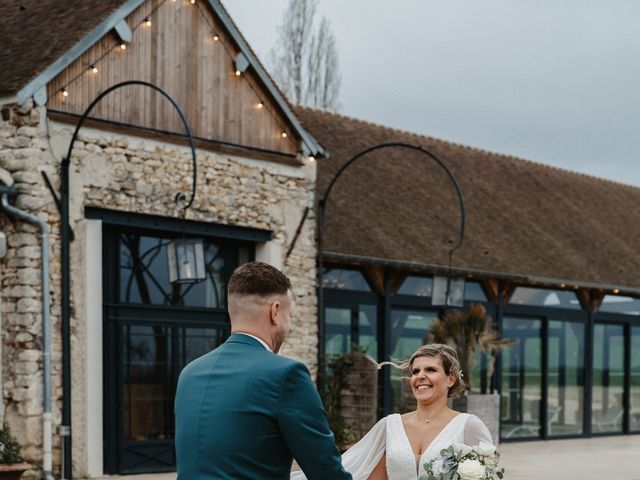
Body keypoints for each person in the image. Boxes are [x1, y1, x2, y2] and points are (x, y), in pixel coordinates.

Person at [175, 261, 352, 480]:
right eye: (289, 315)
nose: (288, 325)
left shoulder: (189, 374)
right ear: (275, 311)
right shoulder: (287, 374)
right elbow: (325, 471)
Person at [291, 344, 494, 480]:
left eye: (430, 370)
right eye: (416, 371)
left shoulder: (469, 426)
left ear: (450, 379)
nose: (420, 376)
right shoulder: (391, 426)